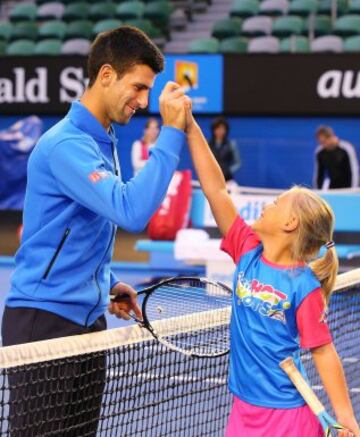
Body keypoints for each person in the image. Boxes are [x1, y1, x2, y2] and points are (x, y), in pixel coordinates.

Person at [1, 26, 191, 435]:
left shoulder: (101, 139)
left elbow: (81, 229)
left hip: (88, 323)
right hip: (43, 322)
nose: (143, 101)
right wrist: (172, 132)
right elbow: (130, 210)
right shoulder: (65, 145)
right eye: (138, 88)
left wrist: (106, 282)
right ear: (106, 75)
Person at [185, 110, 360, 437]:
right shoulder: (247, 250)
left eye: (277, 202)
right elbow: (216, 190)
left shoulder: (302, 286)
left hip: (287, 417)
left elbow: (323, 351)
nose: (267, 205)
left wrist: (347, 418)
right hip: (243, 408)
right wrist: (191, 128)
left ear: (289, 224)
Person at [314, 125, 359, 189]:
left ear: (331, 137)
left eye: (323, 142)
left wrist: (354, 189)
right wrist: (317, 192)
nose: (322, 145)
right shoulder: (319, 152)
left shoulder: (347, 148)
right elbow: (319, 174)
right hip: (333, 188)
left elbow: (354, 171)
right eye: (320, 143)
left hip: (349, 187)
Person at [208, 117, 240, 183]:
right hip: (211, 178)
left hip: (227, 179)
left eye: (222, 129)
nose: (220, 131)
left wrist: (228, 171)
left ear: (226, 130)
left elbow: (238, 162)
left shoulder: (231, 144)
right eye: (217, 128)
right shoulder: (207, 144)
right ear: (213, 130)